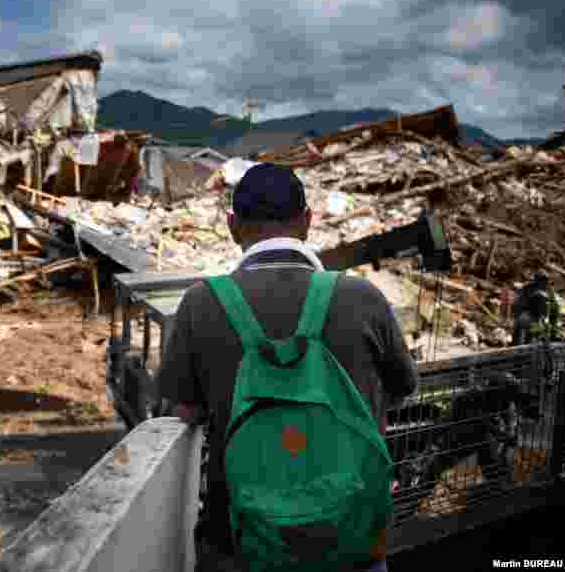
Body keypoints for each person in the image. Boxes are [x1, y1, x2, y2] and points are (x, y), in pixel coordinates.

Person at [156, 162, 419, 572]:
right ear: (308, 221)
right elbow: (402, 390)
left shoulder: (201, 302)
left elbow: (186, 411)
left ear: (231, 225)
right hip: (350, 540)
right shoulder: (363, 297)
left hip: (242, 545)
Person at [511, 273, 562, 347]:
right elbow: (517, 305)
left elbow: (555, 311)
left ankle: (527, 343)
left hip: (539, 318)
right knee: (524, 325)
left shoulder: (549, 291)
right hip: (528, 315)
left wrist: (553, 332)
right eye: (542, 282)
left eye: (545, 282)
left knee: (532, 331)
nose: (544, 284)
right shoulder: (527, 289)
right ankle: (518, 345)